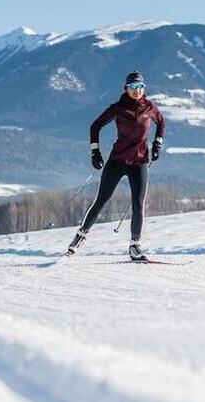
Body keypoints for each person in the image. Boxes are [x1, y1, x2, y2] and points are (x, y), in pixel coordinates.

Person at [67, 70, 165, 260]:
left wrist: (157, 144)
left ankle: (135, 246)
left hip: (139, 162)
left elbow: (161, 123)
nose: (137, 91)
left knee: (138, 204)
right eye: (133, 87)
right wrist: (95, 151)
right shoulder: (118, 108)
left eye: (140, 87)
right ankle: (80, 237)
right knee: (101, 200)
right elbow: (95, 126)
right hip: (117, 161)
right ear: (126, 88)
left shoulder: (150, 107)